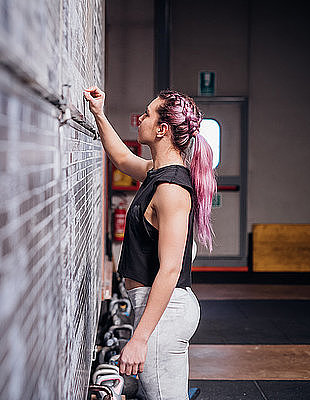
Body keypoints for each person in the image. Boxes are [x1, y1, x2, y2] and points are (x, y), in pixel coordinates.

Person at [84, 86, 216, 400]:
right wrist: (99, 113)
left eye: (147, 113)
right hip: (155, 309)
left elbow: (170, 269)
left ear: (161, 129)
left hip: (164, 314)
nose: (140, 118)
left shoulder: (171, 187)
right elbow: (122, 159)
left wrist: (140, 339)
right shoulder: (158, 172)